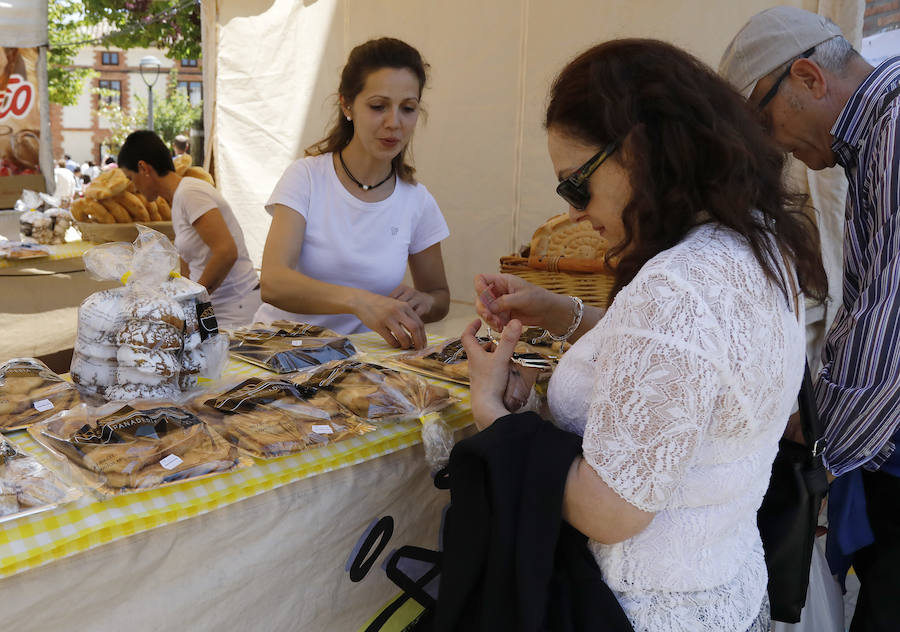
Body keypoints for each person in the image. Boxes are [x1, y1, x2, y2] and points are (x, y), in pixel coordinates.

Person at [461, 39, 827, 632]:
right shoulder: (754, 244)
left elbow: (610, 511)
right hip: (725, 593)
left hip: (636, 610)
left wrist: (497, 420)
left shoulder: (677, 284)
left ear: (638, 150)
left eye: (574, 184)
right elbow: (682, 362)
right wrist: (561, 312)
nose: (573, 212)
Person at [720, 8, 900, 630]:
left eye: (767, 125)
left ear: (807, 78)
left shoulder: (894, 123)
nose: (775, 148)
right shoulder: (871, 135)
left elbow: (888, 313)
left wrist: (822, 436)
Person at [254, 37, 450, 349]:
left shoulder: (417, 201)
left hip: (358, 364)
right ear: (347, 105)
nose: (394, 123)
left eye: (408, 108)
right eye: (378, 106)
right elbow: (274, 282)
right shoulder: (306, 178)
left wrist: (425, 301)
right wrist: (360, 301)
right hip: (280, 352)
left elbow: (440, 298)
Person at [117, 130, 261, 328]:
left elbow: (226, 251)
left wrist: (193, 301)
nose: (134, 187)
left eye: (131, 177)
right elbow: (188, 266)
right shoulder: (178, 199)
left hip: (236, 307)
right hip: (215, 306)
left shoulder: (190, 192)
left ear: (143, 168)